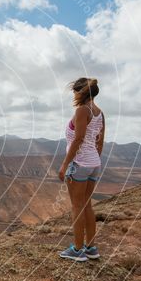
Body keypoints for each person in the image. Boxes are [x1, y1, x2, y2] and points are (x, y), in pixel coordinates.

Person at [57, 77, 104, 262]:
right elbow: (100, 141)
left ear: (79, 92)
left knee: (77, 207)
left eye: (75, 92)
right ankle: (91, 248)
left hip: (79, 165)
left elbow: (79, 139)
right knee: (87, 206)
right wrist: (94, 160)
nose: (74, 95)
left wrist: (65, 164)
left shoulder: (81, 111)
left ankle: (77, 250)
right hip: (94, 164)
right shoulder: (100, 113)